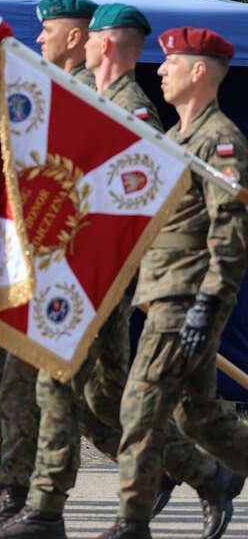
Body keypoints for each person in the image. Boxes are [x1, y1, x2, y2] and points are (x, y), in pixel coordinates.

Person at [0, 2, 234, 539]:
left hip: (116, 281)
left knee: (81, 390)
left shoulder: (134, 111)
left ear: (98, 43)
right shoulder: (102, 103)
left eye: (73, 35)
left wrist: (207, 297)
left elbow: (142, 202)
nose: (160, 70)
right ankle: (203, 473)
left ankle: (51, 508)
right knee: (114, 403)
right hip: (95, 276)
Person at [96, 27, 248, 539]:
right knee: (200, 415)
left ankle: (132, 521)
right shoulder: (178, 139)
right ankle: (219, 479)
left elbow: (231, 235)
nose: (160, 70)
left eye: (171, 63)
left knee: (139, 405)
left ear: (198, 71)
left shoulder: (220, 140)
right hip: (161, 291)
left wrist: (209, 305)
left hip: (187, 296)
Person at [34, 0, 98, 88]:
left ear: (73, 38)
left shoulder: (81, 89)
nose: (39, 39)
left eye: (47, 30)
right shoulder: (68, 83)